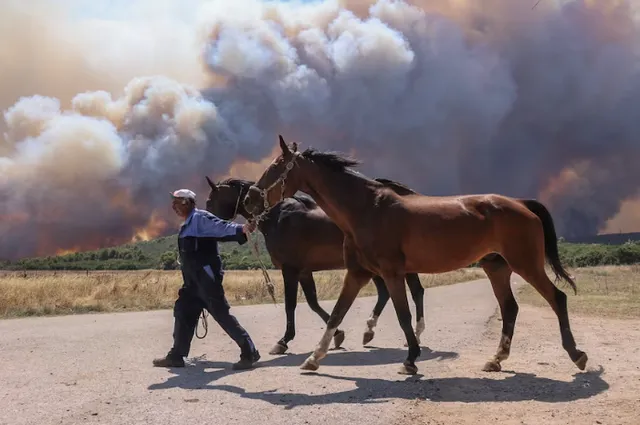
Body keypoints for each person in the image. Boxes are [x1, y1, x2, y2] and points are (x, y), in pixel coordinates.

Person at [153, 188, 260, 370]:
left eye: (177, 203)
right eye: (173, 203)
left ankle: (249, 351)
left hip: (206, 281)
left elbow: (221, 227)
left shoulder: (200, 218)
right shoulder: (188, 223)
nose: (173, 207)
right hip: (192, 283)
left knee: (222, 315)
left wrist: (242, 229)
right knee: (182, 311)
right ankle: (177, 356)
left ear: (187, 202)